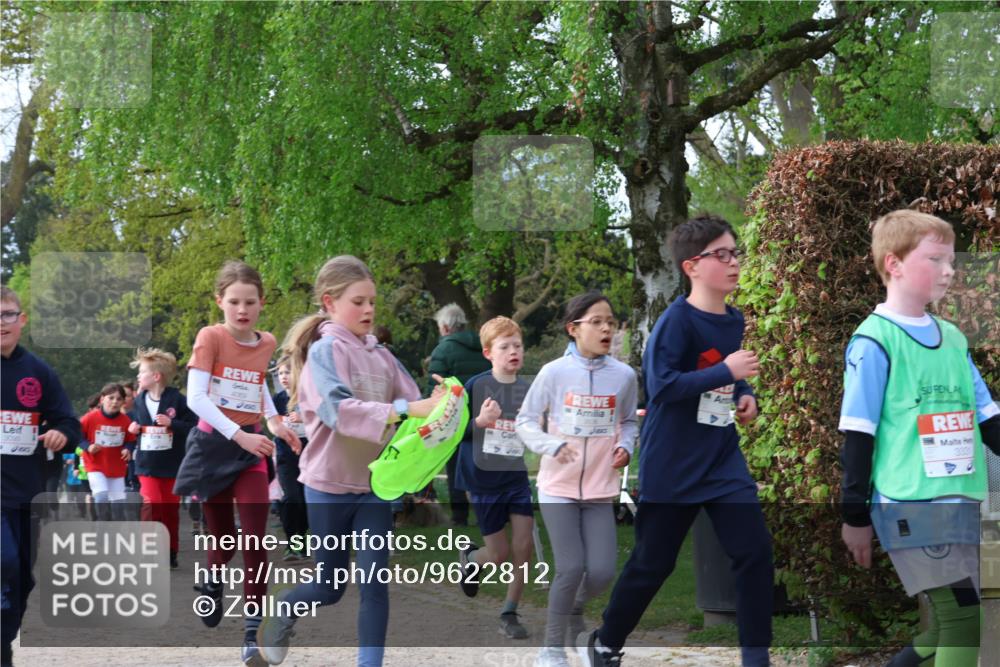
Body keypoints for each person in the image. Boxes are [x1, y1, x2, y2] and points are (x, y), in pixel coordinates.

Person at [582, 215, 772, 667]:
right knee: (653, 564)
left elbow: (725, 380)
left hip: (722, 461)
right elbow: (662, 386)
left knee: (755, 553)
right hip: (673, 464)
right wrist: (728, 372)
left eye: (735, 253)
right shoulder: (676, 321)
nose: (733, 263)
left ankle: (756, 658)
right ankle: (607, 640)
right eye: (721, 255)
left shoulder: (734, 319)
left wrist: (745, 397)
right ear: (692, 266)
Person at [257, 255, 442, 667]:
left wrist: (447, 403)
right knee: (330, 586)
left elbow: (418, 407)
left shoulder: (383, 356)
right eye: (359, 302)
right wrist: (409, 409)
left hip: (375, 489)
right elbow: (338, 412)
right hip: (327, 487)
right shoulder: (324, 352)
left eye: (373, 302)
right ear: (330, 302)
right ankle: (286, 607)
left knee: (375, 584)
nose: (369, 310)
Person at [839, 210, 1000, 667]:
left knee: (943, 627)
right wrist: (854, 516)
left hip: (959, 503)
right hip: (908, 504)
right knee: (963, 620)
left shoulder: (952, 339)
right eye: (935, 259)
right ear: (894, 264)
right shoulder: (874, 341)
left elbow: (989, 421)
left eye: (951, 260)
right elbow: (857, 435)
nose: (949, 270)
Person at [173, 260, 300, 667]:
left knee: (255, 542)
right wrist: (240, 433)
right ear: (220, 302)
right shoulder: (210, 336)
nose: (242, 310)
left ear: (262, 303)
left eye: (250, 302)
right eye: (234, 302)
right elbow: (196, 398)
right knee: (224, 540)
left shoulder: (266, 342)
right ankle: (211, 578)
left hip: (250, 453)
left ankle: (251, 634)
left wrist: (276, 424)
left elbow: (257, 384)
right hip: (213, 449)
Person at [515, 292, 639, 667]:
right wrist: (550, 445)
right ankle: (551, 649)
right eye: (597, 322)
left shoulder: (624, 376)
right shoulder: (553, 372)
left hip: (601, 489)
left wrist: (627, 448)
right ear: (574, 329)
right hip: (558, 488)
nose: (606, 328)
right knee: (570, 567)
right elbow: (525, 420)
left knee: (601, 571)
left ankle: (574, 609)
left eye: (610, 322)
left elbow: (629, 421)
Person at [1, 285, 81, 667]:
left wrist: (61, 433)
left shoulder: (38, 372)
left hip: (27, 492)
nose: (1, 323)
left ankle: (3, 641)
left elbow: (68, 421)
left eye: (7, 315)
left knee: (22, 579)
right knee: (4, 563)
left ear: (21, 320)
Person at [454, 316, 534, 640]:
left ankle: (509, 611)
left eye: (517, 345)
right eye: (505, 347)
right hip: (482, 479)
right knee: (499, 555)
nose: (513, 351)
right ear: (489, 353)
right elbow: (455, 433)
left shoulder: (529, 388)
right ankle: (472, 558)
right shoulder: (476, 386)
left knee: (524, 544)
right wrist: (480, 421)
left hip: (514, 476)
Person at [128, 347, 196, 570]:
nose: (138, 376)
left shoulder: (177, 399)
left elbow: (194, 427)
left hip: (172, 465)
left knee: (168, 510)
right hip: (146, 465)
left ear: (156, 376)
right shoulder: (139, 401)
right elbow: (135, 424)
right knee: (150, 505)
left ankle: (170, 551)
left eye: (142, 372)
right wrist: (134, 428)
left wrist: (172, 424)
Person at [426, 303, 491, 525]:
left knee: (455, 467)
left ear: (444, 327)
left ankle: (460, 515)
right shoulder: (484, 347)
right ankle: (491, 513)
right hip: (485, 414)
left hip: (456, 417)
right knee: (483, 465)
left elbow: (433, 389)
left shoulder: (443, 351)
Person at [270, 355, 309, 561]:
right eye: (281, 373)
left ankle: (301, 541)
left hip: (310, 456)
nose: (284, 377)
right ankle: (292, 544)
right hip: (286, 457)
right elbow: (271, 424)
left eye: (288, 372)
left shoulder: (309, 398)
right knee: (291, 498)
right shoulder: (277, 401)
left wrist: (305, 418)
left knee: (305, 501)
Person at [80, 383, 136, 521]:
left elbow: (131, 440)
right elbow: (77, 436)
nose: (114, 402)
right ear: (102, 399)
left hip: (116, 467)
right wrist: (88, 446)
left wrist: (128, 449)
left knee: (118, 508)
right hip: (95, 466)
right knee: (102, 496)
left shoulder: (125, 420)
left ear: (123, 402)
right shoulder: (90, 418)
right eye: (111, 398)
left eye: (118, 399)